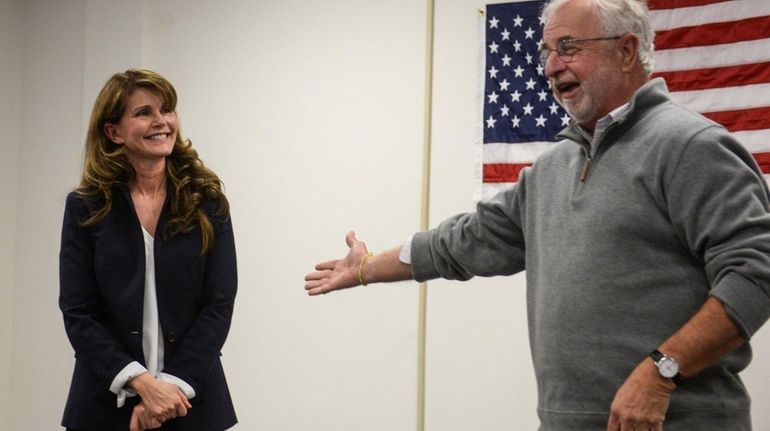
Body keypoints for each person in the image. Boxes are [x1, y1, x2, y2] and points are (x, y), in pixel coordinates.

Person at [305, 0, 770, 429]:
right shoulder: (552, 167)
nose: (550, 66)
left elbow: (756, 273)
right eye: (546, 51)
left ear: (627, 51)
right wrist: (366, 268)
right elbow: (465, 243)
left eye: (568, 47)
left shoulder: (692, 147)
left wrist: (662, 371)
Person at [59, 69, 237, 431]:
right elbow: (78, 310)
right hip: (105, 406)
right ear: (114, 132)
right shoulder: (86, 206)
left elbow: (219, 304)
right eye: (144, 113)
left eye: (166, 110)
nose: (162, 121)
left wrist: (168, 389)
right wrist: (141, 384)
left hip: (193, 403)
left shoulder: (207, 202)